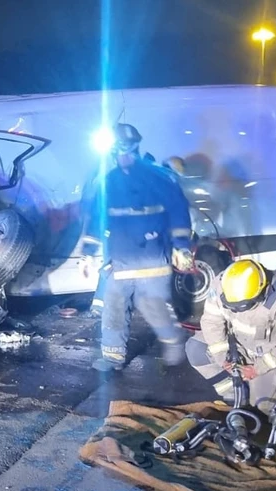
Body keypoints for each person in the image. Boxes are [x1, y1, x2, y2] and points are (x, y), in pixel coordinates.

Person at [86, 123, 194, 372]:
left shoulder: (158, 178)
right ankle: (113, 358)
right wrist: (89, 253)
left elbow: (179, 213)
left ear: (135, 147)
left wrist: (181, 247)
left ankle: (173, 341)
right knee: (113, 310)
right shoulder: (109, 182)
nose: (124, 156)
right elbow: (96, 217)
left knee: (154, 307)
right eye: (119, 151)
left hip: (152, 258)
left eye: (127, 150)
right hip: (121, 260)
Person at [185, 259, 276, 413]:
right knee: (196, 349)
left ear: (261, 292)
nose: (237, 311)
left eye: (243, 306)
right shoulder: (222, 284)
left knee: (264, 404)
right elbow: (211, 322)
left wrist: (258, 368)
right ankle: (236, 394)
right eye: (232, 307)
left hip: (268, 354)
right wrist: (222, 357)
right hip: (237, 343)